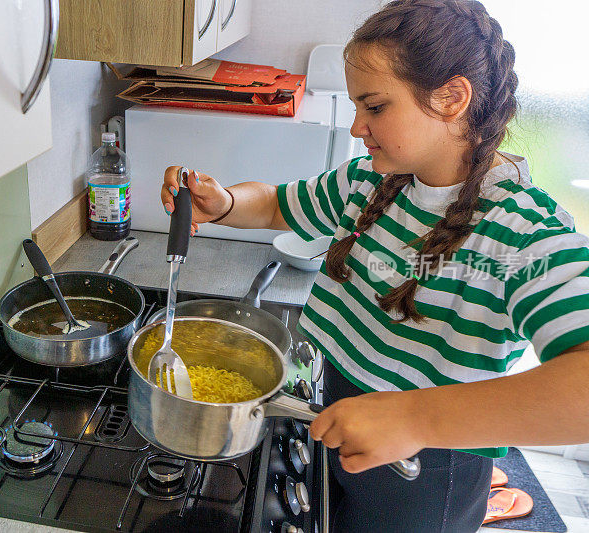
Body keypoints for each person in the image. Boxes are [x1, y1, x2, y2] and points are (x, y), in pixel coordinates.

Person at [159, 0, 589, 531]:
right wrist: (222, 201)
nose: (359, 125)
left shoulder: (522, 231)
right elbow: (274, 204)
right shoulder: (371, 181)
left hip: (424, 466)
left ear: (452, 98)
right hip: (332, 413)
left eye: (376, 106)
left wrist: (414, 417)